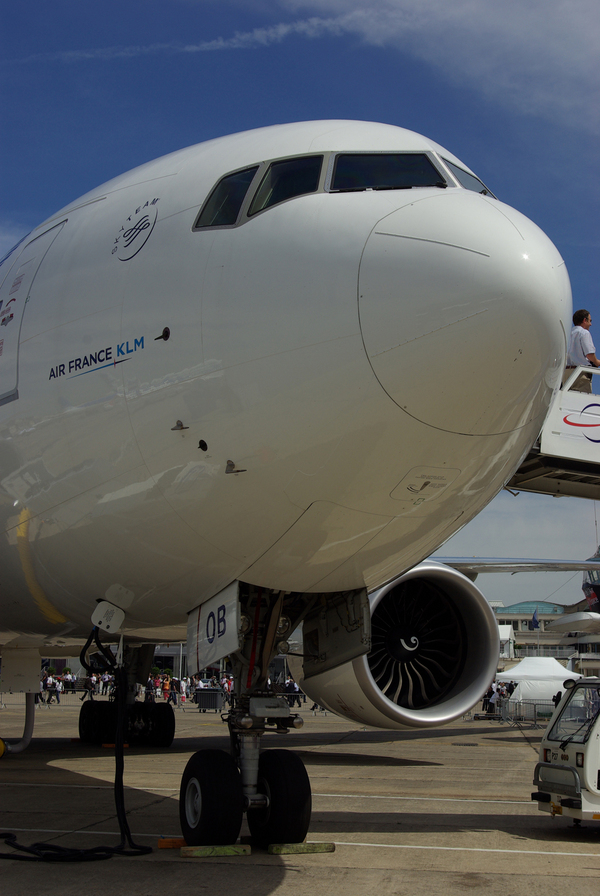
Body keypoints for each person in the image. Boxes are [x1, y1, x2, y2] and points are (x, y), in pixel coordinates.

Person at [565, 309, 600, 393]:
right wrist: (597, 362)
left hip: (565, 373)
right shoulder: (584, 333)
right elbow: (589, 354)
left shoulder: (568, 333)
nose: (591, 324)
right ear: (585, 320)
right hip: (579, 374)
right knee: (581, 402)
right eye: (590, 320)